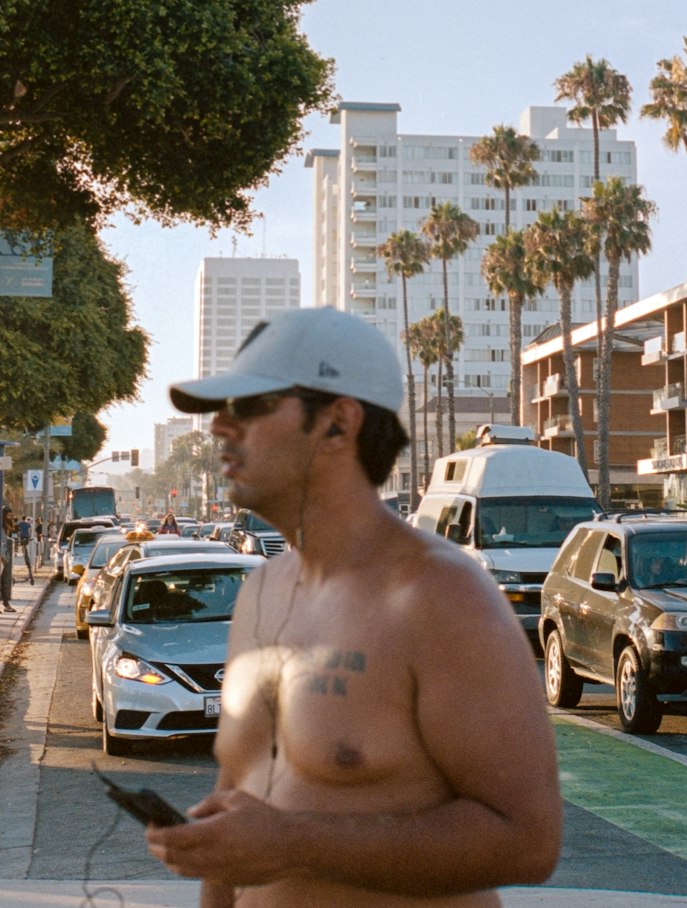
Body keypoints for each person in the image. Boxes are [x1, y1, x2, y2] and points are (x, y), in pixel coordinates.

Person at [146, 305, 561, 908]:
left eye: (250, 406)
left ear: (338, 424)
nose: (219, 428)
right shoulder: (261, 592)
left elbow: (528, 841)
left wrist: (292, 844)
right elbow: (238, 801)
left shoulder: (441, 597)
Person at [0, 508, 15, 611]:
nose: (10, 518)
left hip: (3, 558)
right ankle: (6, 604)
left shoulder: (4, 528)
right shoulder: (1, 528)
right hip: (1, 558)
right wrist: (4, 557)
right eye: (8, 516)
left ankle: (6, 604)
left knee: (2, 582)